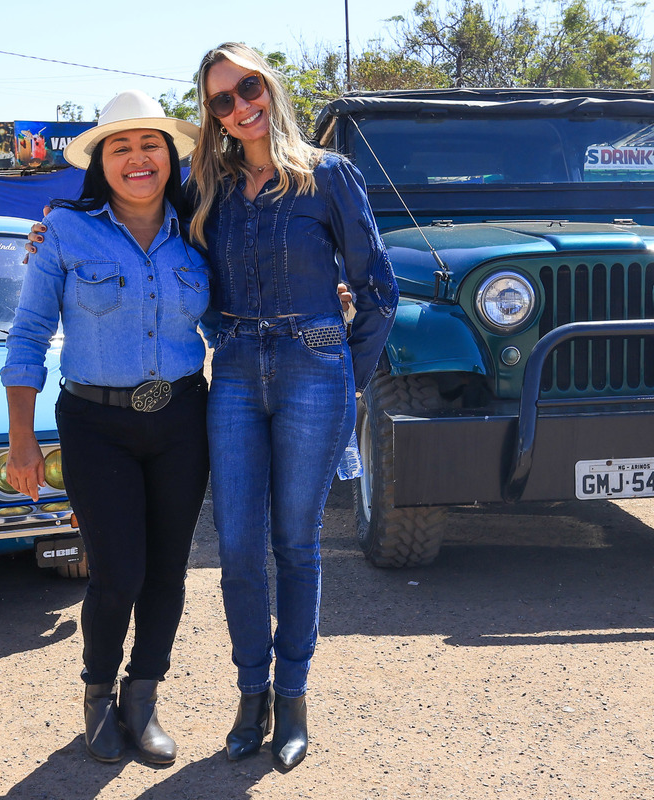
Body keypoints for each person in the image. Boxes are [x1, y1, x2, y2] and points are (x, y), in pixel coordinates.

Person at [190, 42, 398, 770]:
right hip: (236, 371)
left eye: (248, 87)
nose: (241, 105)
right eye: (222, 100)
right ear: (214, 117)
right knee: (237, 546)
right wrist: (59, 221)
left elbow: (378, 289)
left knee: (295, 543)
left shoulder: (328, 175)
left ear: (270, 87)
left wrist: (347, 373)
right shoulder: (210, 189)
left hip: (315, 369)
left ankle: (294, 697)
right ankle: (251, 695)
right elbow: (148, 229)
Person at [1, 90, 209, 766]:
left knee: (167, 573)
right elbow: (29, 333)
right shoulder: (64, 231)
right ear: (101, 162)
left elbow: (238, 313)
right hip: (96, 424)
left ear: (170, 157)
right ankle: (97, 696)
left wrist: (329, 298)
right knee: (119, 573)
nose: (137, 158)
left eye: (150, 144)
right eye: (121, 147)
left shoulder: (200, 230)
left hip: (182, 420)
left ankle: (142, 697)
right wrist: (22, 439)